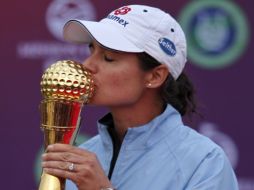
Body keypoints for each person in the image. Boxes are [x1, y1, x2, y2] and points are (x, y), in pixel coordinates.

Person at [41, 4, 239, 190]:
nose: (87, 65)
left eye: (109, 57)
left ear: (155, 76)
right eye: (91, 49)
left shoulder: (205, 162)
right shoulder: (83, 156)